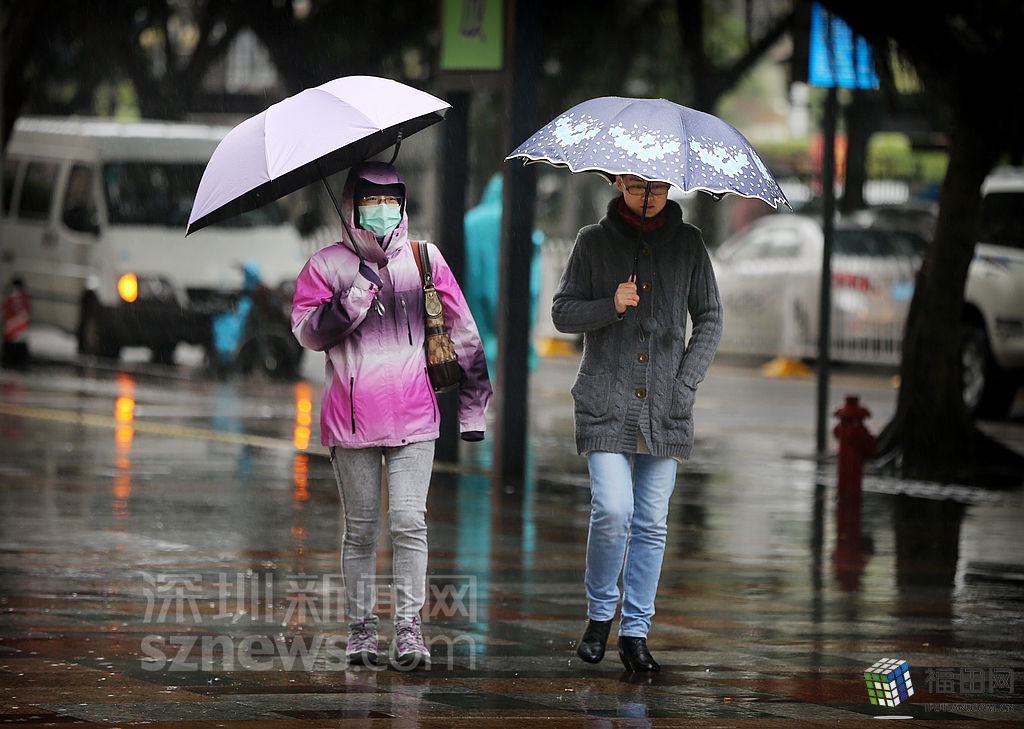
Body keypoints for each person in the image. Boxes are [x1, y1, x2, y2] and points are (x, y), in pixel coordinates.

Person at [291, 161, 492, 669]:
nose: (382, 212)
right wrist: (354, 298)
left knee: (408, 521)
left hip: (415, 419)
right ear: (353, 206)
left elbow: (464, 334)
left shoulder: (425, 260)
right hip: (350, 422)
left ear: (402, 206)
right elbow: (307, 333)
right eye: (371, 203)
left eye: (391, 202)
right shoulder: (325, 267)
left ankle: (408, 627)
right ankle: (361, 628)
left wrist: (473, 410)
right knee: (360, 531)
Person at [551, 174, 723, 672]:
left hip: (667, 409)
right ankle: (600, 615)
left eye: (658, 189)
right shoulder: (592, 241)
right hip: (604, 400)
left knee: (651, 522)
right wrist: (611, 305)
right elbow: (563, 313)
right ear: (618, 183)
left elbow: (710, 316)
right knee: (612, 508)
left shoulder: (689, 243)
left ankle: (635, 632)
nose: (648, 197)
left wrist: (686, 381)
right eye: (637, 188)